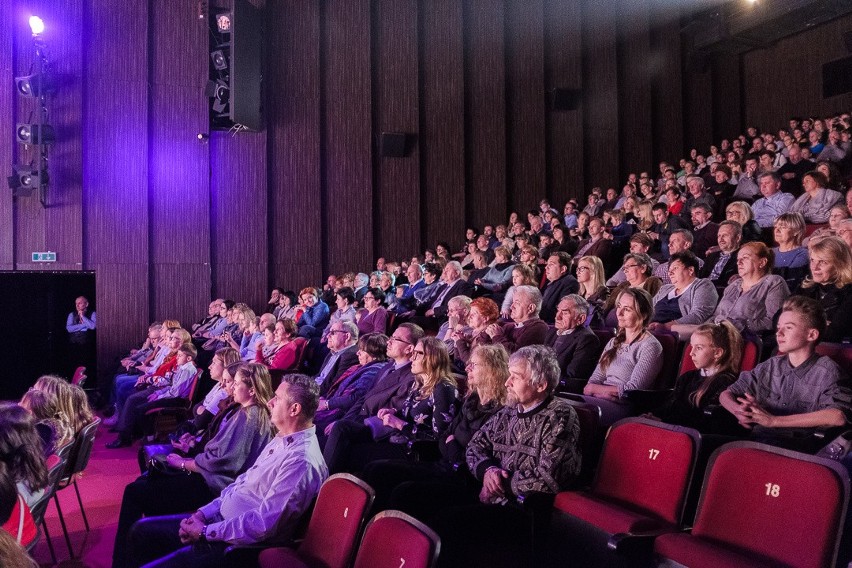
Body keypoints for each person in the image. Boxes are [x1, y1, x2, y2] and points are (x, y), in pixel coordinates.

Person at [126, 374, 328, 568]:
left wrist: (205, 532)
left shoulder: (301, 461)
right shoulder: (282, 438)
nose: (270, 402)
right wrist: (202, 514)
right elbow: (240, 484)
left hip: (234, 546)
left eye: (278, 398)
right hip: (216, 523)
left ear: (294, 409)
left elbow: (263, 524)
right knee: (140, 531)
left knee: (146, 536)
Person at [113, 363, 275, 568]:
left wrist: (183, 463)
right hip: (210, 476)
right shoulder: (243, 410)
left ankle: (121, 561)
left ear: (252, 389)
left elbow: (223, 462)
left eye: (236, 383)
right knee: (145, 483)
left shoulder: (250, 415)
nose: (231, 386)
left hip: (215, 484)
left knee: (135, 491)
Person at [720, 296, 851, 452]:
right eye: (778, 327)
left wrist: (774, 421)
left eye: (788, 327)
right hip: (758, 441)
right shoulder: (771, 365)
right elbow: (726, 394)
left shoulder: (828, 371)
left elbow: (837, 416)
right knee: (712, 450)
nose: (779, 333)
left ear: (811, 335)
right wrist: (739, 411)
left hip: (798, 449)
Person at [466, 344, 581, 502]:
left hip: (524, 507)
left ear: (540, 385)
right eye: (509, 375)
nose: (507, 383)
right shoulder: (510, 410)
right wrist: (488, 470)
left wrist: (497, 485)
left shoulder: (560, 416)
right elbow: (475, 445)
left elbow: (551, 477)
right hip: (490, 492)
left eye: (516, 377)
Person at [322, 324, 424, 474]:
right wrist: (346, 419)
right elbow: (363, 399)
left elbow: (387, 412)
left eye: (396, 339)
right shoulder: (387, 367)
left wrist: (347, 423)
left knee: (340, 430)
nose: (389, 341)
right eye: (391, 337)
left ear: (409, 349)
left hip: (374, 426)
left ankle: (321, 485)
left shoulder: (410, 377)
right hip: (359, 419)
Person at [582, 288, 663, 426]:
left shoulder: (650, 346)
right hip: (600, 400)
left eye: (627, 309)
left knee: (570, 411)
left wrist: (596, 391)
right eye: (619, 306)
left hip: (623, 408)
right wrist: (602, 392)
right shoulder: (613, 342)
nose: (618, 313)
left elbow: (632, 391)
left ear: (643, 315)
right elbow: (592, 382)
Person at [651, 321, 742, 433]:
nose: (691, 353)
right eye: (691, 346)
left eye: (698, 348)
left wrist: (663, 421)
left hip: (693, 435)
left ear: (717, 353)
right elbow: (671, 405)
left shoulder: (725, 382)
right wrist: (652, 416)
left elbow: (703, 421)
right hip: (672, 428)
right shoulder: (687, 377)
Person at [107, 343, 200, 448]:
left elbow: (175, 392)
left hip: (176, 400)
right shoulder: (183, 367)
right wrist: (157, 393)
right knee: (137, 403)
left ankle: (148, 438)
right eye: (177, 355)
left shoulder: (187, 369)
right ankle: (131, 434)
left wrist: (159, 395)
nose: (177, 357)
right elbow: (172, 386)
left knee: (141, 408)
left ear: (188, 358)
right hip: (169, 394)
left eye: (180, 356)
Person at [314, 333, 388, 446]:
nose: (357, 353)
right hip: (335, 409)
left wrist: (327, 404)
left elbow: (355, 398)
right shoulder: (363, 367)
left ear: (373, 353)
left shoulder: (373, 371)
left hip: (341, 415)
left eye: (362, 350)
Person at [705, 242, 790, 335]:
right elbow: (716, 315)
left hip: (744, 338)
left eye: (745, 258)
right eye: (738, 259)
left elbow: (774, 321)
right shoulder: (733, 285)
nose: (738, 262)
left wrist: (743, 325)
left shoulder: (773, 282)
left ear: (762, 262)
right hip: (716, 333)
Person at [795, 236, 852, 342]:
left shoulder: (849, 293)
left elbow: (833, 333)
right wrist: (819, 323)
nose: (814, 267)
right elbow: (779, 320)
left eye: (823, 262)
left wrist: (796, 323)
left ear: (840, 265)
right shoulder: (805, 287)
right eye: (812, 260)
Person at [649, 251, 718, 332]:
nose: (670, 273)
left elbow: (698, 315)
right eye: (669, 270)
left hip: (673, 334)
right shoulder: (665, 288)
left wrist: (664, 327)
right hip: (650, 329)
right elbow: (648, 310)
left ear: (690, 270)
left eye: (675, 268)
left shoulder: (703, 285)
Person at [545, 294, 600, 385]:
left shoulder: (587, 340)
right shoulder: (552, 332)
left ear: (581, 319)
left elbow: (572, 375)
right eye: (558, 311)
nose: (557, 317)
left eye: (565, 313)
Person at [601, 253, 662, 327]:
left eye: (628, 267)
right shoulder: (622, 287)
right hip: (608, 328)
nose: (625, 271)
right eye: (624, 268)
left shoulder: (653, 284)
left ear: (643, 268)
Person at [486, 285, 549, 353]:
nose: (511, 307)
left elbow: (517, 354)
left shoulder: (539, 327)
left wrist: (497, 336)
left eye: (517, 303)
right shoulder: (510, 325)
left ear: (530, 308)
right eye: (512, 302)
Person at [453, 297, 500, 366]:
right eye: (470, 314)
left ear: (485, 318)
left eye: (474, 314)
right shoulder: (473, 334)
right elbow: (457, 361)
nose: (469, 317)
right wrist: (457, 343)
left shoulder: (487, 336)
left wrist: (459, 342)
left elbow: (470, 362)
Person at [772, 212, 810, 291]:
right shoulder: (770, 252)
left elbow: (790, 278)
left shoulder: (803, 254)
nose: (777, 230)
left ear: (796, 231)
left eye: (783, 227)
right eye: (775, 227)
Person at [539, 252, 579, 323]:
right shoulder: (549, 282)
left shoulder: (570, 283)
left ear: (563, 269)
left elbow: (561, 311)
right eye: (547, 264)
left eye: (551, 264)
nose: (546, 267)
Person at [699, 220, 741, 288]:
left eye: (725, 235)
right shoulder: (711, 256)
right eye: (719, 236)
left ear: (737, 238)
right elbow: (701, 277)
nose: (720, 239)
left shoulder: (742, 258)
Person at [66, 295, 97, 375]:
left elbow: (93, 326)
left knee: (86, 365)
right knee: (74, 365)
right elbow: (69, 329)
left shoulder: (92, 313)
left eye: (79, 303)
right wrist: (85, 325)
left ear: (86, 304)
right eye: (76, 303)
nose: (77, 305)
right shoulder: (71, 314)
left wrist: (83, 317)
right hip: (74, 344)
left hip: (87, 344)